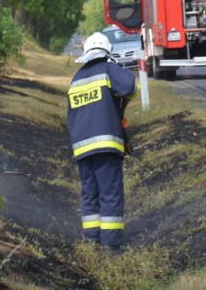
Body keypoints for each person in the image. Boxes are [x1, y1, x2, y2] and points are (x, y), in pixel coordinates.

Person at [66, 32, 140, 255]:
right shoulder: (108, 70)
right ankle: (111, 245)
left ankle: (91, 240)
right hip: (106, 144)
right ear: (107, 52)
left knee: (90, 193)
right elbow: (131, 88)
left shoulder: (76, 78)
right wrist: (115, 67)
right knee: (110, 192)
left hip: (81, 147)